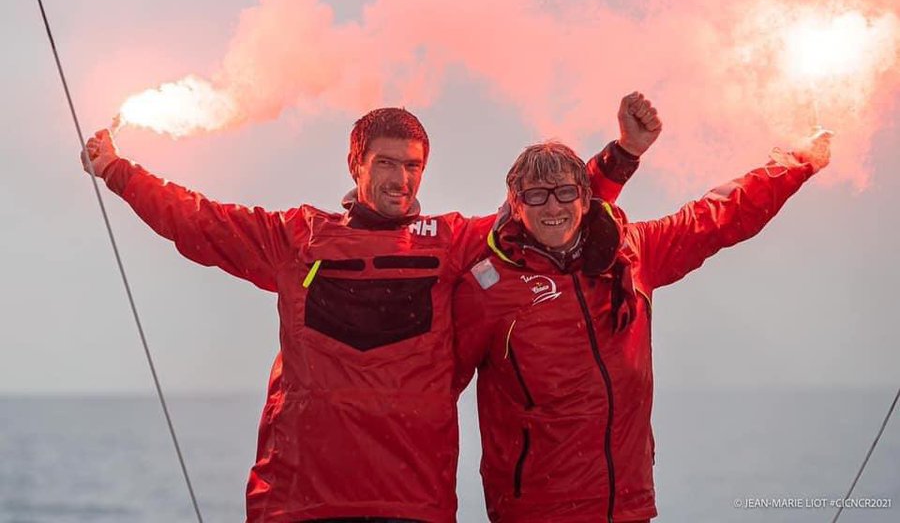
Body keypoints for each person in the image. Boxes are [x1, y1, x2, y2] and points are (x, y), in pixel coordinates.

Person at [80, 95, 661, 523]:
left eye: (413, 166)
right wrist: (118, 171)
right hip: (300, 499)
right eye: (386, 163)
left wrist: (620, 157)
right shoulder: (297, 236)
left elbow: (547, 210)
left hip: (412, 502)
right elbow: (198, 221)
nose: (400, 179)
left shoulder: (452, 241)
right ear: (355, 164)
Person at [452, 128, 832, 522]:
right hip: (536, 510)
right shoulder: (487, 290)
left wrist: (796, 163)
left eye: (565, 192)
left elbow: (718, 216)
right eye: (536, 195)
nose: (553, 207)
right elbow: (436, 389)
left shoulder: (632, 253)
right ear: (516, 205)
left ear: (584, 198)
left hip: (627, 504)